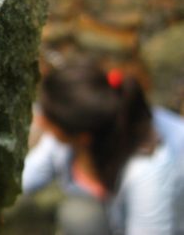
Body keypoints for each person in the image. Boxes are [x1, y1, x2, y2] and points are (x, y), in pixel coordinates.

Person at [22, 60, 184, 235]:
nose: (38, 120)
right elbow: (25, 178)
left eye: (46, 117)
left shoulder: (148, 172)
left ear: (83, 137)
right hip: (112, 213)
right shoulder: (80, 118)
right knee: (79, 214)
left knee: (79, 216)